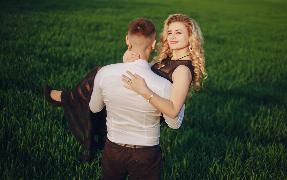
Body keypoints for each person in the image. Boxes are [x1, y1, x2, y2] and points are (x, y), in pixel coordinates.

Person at [44, 13, 206, 162]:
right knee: (101, 75)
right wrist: (128, 61)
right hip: (140, 97)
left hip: (150, 106)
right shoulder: (166, 59)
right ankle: (73, 103)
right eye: (169, 32)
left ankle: (68, 99)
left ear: (190, 36)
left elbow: (173, 111)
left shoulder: (183, 70)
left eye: (178, 32)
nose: (172, 37)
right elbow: (143, 71)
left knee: (100, 80)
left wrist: (145, 91)